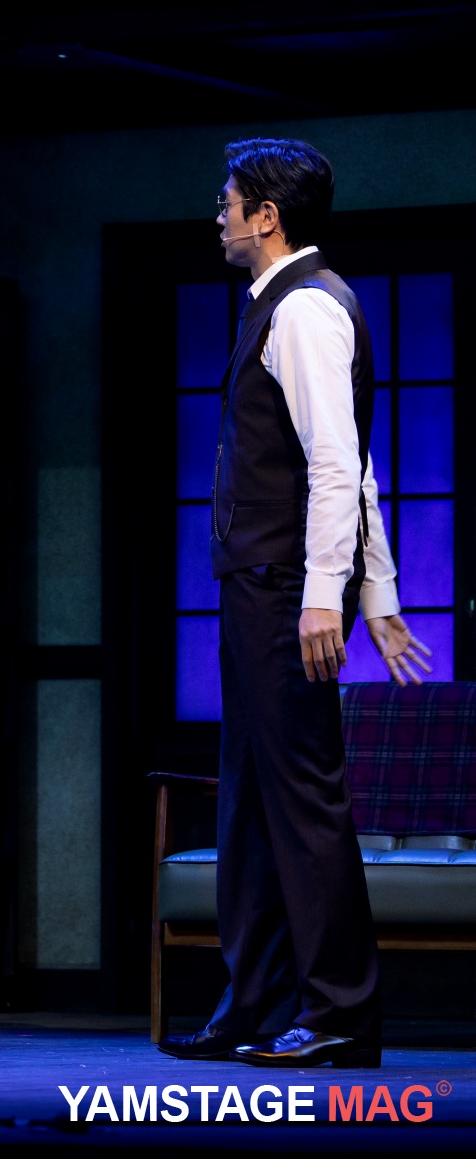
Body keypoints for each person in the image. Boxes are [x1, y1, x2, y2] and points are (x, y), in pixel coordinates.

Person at [159, 139, 432, 1069]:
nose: (220, 214)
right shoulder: (277, 304)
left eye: (228, 200)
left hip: (283, 589)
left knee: (303, 798)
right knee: (249, 799)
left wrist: (330, 595)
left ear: (266, 215)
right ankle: (258, 1001)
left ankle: (340, 1012)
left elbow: (337, 465)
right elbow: (356, 465)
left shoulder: (307, 306)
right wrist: (378, 590)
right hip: (261, 586)